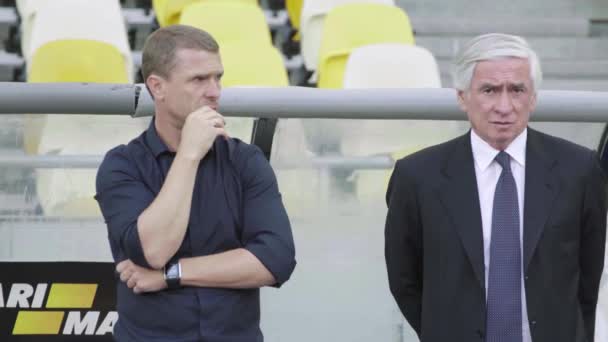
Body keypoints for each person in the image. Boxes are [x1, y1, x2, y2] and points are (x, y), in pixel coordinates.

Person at [384, 33, 607, 342]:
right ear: (462, 97)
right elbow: (405, 280)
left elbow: (587, 277)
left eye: (517, 90)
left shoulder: (580, 170)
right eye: (489, 90)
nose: (504, 106)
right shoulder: (417, 176)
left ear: (533, 98)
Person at [95, 25, 296, 341]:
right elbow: (152, 252)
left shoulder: (245, 161)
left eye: (218, 77)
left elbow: (275, 260)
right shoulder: (122, 165)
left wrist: (170, 275)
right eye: (199, 79)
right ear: (157, 87)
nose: (215, 91)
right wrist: (188, 154)